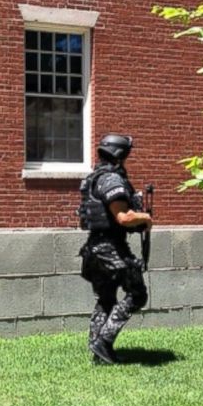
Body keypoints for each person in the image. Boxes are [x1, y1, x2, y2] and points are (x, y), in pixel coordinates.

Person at [78, 134, 152, 364]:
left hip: (94, 248)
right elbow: (122, 217)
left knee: (106, 297)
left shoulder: (95, 177)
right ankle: (104, 341)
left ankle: (98, 351)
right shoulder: (111, 180)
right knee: (137, 294)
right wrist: (145, 217)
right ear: (120, 155)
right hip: (111, 249)